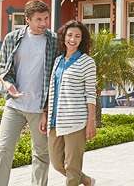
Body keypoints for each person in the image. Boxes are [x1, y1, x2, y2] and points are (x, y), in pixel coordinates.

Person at [0, 0, 56, 186]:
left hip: (39, 108)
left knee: (41, 154)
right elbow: (2, 67)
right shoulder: (12, 38)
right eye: (38, 19)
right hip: (14, 105)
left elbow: (56, 76)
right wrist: (8, 84)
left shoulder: (53, 41)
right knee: (3, 149)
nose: (43, 23)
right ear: (27, 19)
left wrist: (46, 110)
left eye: (46, 18)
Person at [41, 20, 97, 186]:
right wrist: (45, 113)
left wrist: (91, 122)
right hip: (55, 121)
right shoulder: (58, 60)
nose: (73, 39)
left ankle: (79, 180)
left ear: (82, 39)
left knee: (72, 167)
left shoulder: (87, 62)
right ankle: (87, 180)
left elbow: (90, 94)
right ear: (63, 37)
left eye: (77, 36)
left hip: (76, 121)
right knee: (57, 163)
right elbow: (52, 90)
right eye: (70, 35)